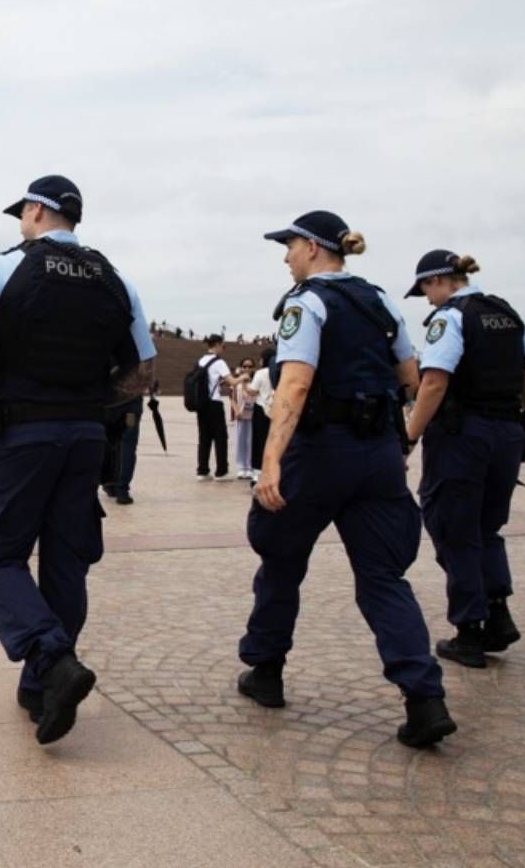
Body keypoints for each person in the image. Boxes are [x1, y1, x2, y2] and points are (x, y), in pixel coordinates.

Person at [0, 174, 156, 746]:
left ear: (35, 211)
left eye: (22, 213)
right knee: (66, 559)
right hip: (84, 435)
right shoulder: (115, 279)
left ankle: (52, 660)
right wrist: (87, 406)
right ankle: (42, 689)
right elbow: (142, 373)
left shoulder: (6, 269)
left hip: (23, 432)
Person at [241, 210, 455, 748]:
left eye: (289, 246)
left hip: (318, 453)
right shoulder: (379, 300)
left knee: (282, 561)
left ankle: (266, 672)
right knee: (384, 578)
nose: (286, 257)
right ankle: (424, 700)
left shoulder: (306, 301)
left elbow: (293, 387)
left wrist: (270, 464)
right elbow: (409, 376)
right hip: (377, 455)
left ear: (313, 248)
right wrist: (393, 440)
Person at [402, 250, 525, 669]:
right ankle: (498, 614)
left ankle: (469, 630)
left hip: (464, 436)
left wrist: (408, 437)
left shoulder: (453, 316)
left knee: (454, 527)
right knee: (488, 527)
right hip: (506, 432)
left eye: (426, 289)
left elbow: (434, 382)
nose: (427, 300)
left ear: (440, 280)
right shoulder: (507, 314)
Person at [195, 335, 232, 479]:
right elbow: (233, 382)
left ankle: (202, 471)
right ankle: (221, 471)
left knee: (204, 437)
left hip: (202, 404)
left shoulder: (200, 361)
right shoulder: (219, 362)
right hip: (215, 403)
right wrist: (243, 377)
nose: (223, 349)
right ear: (217, 345)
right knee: (220, 437)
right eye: (223, 346)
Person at [101, 392, 143, 505]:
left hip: (108, 407)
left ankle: (109, 482)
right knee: (128, 443)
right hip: (130, 408)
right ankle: (122, 490)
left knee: (107, 442)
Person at [246, 348, 276, 485]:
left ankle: (257, 474)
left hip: (261, 410)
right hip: (275, 409)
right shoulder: (278, 371)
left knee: (259, 441)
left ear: (263, 359)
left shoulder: (260, 373)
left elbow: (252, 391)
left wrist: (245, 383)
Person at [231, 357, 256, 480]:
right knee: (240, 441)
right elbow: (232, 397)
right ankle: (241, 467)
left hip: (252, 415)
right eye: (244, 366)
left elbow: (254, 395)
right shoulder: (236, 382)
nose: (247, 368)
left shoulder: (255, 381)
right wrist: (236, 411)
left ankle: (250, 466)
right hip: (240, 416)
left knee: (250, 441)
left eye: (249, 366)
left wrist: (246, 384)